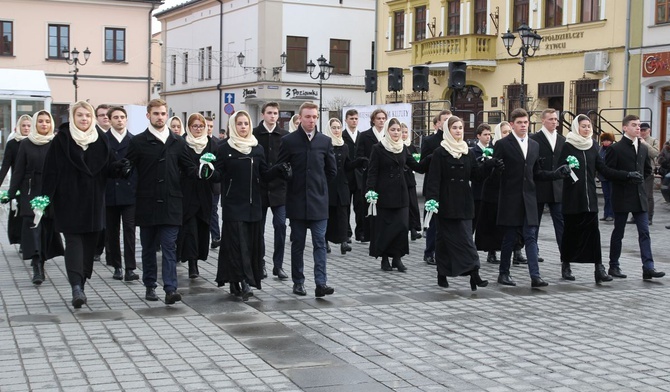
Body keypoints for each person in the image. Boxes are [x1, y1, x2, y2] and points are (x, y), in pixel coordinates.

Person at [39, 101, 118, 308]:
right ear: (72, 118)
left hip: (93, 203)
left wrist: (123, 168)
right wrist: (44, 200)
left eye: (87, 116)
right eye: (80, 115)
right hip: (68, 201)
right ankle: (76, 287)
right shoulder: (62, 140)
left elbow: (110, 167)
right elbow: (50, 171)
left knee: (89, 246)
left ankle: (80, 283)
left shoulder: (100, 139)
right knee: (74, 243)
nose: (84, 119)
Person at [493, 108, 570, 288]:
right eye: (519, 123)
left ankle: (535, 276)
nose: (523, 126)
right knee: (510, 237)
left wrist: (556, 174)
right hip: (510, 198)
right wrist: (495, 168)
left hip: (529, 198)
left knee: (530, 236)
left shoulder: (534, 145)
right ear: (512, 125)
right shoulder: (503, 144)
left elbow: (537, 173)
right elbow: (494, 172)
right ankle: (504, 272)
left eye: (526, 122)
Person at [559, 115, 635, 284]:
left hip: (590, 199)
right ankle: (566, 264)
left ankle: (598, 269)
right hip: (572, 198)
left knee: (594, 234)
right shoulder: (567, 146)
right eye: (583, 126)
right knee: (570, 233)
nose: (586, 129)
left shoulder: (592, 146)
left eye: (588, 126)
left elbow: (604, 170)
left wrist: (627, 175)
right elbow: (559, 169)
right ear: (576, 127)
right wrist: (566, 172)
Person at [425, 116, 499, 289]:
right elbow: (433, 180)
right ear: (447, 130)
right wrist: (433, 202)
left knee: (465, 239)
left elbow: (476, 175)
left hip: (465, 202)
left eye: (460, 128)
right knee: (444, 241)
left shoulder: (468, 151)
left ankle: (474, 274)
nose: (458, 131)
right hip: (445, 203)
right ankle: (443, 273)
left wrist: (490, 166)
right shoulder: (439, 152)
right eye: (454, 128)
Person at [215, 110, 282, 300]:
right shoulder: (224, 148)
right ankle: (244, 282)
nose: (243, 127)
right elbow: (218, 175)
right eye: (239, 124)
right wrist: (208, 172)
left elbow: (265, 174)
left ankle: (236, 280)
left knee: (250, 245)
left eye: (246, 123)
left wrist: (279, 170)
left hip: (253, 205)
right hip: (233, 205)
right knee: (238, 245)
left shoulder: (256, 148)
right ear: (233, 126)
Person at [126, 99, 187, 305]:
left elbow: (189, 168)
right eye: (156, 114)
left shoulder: (178, 142)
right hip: (147, 203)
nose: (160, 117)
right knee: (149, 247)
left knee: (169, 246)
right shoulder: (138, 142)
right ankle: (150, 285)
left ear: (167, 115)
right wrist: (121, 168)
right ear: (148, 116)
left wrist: (204, 172)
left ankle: (171, 289)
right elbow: (127, 167)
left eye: (163, 114)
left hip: (171, 203)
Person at [277, 102, 337, 297]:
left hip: (319, 203)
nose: (311, 120)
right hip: (297, 202)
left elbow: (331, 171)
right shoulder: (289, 141)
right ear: (300, 118)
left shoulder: (325, 141)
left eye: (314, 117)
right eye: (308, 117)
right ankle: (298, 282)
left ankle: (321, 283)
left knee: (320, 243)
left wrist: (318, 186)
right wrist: (292, 180)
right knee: (298, 244)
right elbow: (281, 167)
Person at [7, 111, 64, 286]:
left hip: (50, 191)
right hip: (30, 190)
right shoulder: (26, 143)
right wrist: (10, 194)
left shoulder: (56, 143)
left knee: (46, 228)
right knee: (33, 227)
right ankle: (37, 266)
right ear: (35, 124)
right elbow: (18, 171)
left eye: (47, 121)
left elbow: (63, 170)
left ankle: (42, 258)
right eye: (40, 121)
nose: (44, 124)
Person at [605, 115, 665, 281]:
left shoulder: (643, 147)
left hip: (639, 196)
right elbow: (607, 172)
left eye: (639, 125)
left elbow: (647, 170)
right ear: (625, 128)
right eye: (634, 125)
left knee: (645, 232)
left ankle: (648, 267)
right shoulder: (616, 148)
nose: (638, 128)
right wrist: (627, 176)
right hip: (622, 196)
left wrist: (640, 179)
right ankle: (614, 265)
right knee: (619, 232)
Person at [366, 117, 429, 272]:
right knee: (385, 228)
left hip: (401, 194)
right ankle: (385, 258)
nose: (396, 132)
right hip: (384, 194)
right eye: (393, 130)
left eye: (398, 130)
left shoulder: (403, 148)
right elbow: (372, 172)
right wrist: (370, 190)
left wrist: (432, 157)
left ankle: (397, 258)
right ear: (387, 131)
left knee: (401, 227)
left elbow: (417, 166)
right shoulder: (378, 148)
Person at [177, 113, 219, 280]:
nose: (198, 129)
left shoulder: (211, 144)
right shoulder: (182, 143)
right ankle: (192, 264)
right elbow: (183, 166)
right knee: (190, 228)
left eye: (201, 126)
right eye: (195, 126)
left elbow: (217, 166)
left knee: (202, 227)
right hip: (187, 192)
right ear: (189, 127)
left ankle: (197, 258)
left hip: (205, 193)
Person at [253, 102, 289, 279]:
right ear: (263, 114)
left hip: (279, 189)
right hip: (259, 188)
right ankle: (260, 263)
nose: (273, 116)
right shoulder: (254, 134)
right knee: (258, 228)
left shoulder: (284, 135)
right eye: (269, 113)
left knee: (280, 225)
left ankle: (278, 265)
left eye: (275, 113)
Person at [104, 107, 139, 282]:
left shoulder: (133, 140)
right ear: (109, 120)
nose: (119, 120)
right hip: (109, 192)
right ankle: (117, 265)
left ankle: (130, 268)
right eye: (116, 117)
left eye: (122, 117)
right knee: (112, 231)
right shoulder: (103, 140)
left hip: (129, 192)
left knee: (130, 230)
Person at [529, 108, 565, 274]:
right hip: (539, 185)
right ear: (543, 120)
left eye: (556, 119)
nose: (554, 122)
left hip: (557, 187)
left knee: (561, 224)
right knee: (534, 223)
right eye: (551, 119)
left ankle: (565, 257)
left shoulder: (562, 140)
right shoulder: (534, 139)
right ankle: (533, 253)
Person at [324, 118, 366, 254]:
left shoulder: (344, 145)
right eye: (334, 128)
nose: (336, 130)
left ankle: (343, 242)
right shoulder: (324, 144)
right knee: (328, 215)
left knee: (343, 214)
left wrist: (359, 162)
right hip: (329, 185)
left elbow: (347, 165)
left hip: (342, 185)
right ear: (329, 129)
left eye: (338, 127)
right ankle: (325, 241)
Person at [475, 122, 511, 264]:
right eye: (504, 132)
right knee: (491, 222)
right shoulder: (495, 147)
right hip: (492, 191)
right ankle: (492, 251)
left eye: (509, 131)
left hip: (507, 190)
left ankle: (515, 250)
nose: (507, 134)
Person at [421, 110, 451, 266]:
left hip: (451, 188)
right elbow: (422, 166)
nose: (447, 123)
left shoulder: (456, 141)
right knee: (433, 222)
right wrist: (433, 158)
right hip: (434, 186)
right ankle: (429, 252)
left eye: (450, 120)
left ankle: (446, 251)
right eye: (444, 120)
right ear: (438, 123)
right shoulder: (430, 141)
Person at [354, 108, 387, 243]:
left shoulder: (388, 134)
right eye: (378, 118)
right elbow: (359, 155)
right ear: (373, 120)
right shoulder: (365, 135)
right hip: (369, 174)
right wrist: (367, 163)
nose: (381, 121)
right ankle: (365, 232)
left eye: (383, 118)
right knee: (367, 204)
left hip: (384, 176)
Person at [0, 114, 31, 247]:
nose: (26, 128)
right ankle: (21, 240)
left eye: (29, 125)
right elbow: (6, 164)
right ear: (18, 127)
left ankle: (29, 242)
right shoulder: (12, 144)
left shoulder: (36, 142)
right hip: (17, 183)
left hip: (32, 183)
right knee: (19, 213)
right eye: (23, 125)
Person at [342, 109, 363, 243]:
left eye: (356, 118)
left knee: (360, 206)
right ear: (346, 120)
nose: (354, 121)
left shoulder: (362, 136)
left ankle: (360, 232)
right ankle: (346, 232)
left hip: (360, 176)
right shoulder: (342, 136)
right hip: (346, 176)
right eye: (351, 118)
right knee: (345, 206)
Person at [401, 122, 422, 240]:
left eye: (405, 132)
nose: (404, 134)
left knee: (413, 205)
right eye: (402, 132)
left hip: (410, 178)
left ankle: (414, 229)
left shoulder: (411, 146)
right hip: (401, 178)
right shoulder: (398, 146)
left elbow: (415, 160)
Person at [470, 123, 492, 233]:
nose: (488, 137)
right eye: (485, 134)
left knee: (489, 221)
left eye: (489, 134)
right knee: (475, 220)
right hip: (478, 191)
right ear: (478, 136)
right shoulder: (473, 152)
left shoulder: (493, 150)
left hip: (490, 190)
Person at [205, 116, 222, 250]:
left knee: (213, 210)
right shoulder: (196, 142)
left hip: (215, 185)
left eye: (211, 126)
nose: (209, 128)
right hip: (201, 183)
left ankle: (216, 237)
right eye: (207, 125)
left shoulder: (217, 143)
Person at [639, 122, 659, 225]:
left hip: (648, 171)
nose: (642, 132)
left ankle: (649, 217)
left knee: (648, 195)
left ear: (649, 130)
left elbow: (655, 153)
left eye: (644, 130)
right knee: (637, 194)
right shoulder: (635, 139)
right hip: (637, 170)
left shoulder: (653, 141)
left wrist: (644, 144)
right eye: (641, 130)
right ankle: (637, 216)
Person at [598, 132, 615, 222]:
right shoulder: (601, 150)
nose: (606, 142)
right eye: (604, 140)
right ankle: (606, 213)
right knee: (606, 196)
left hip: (611, 176)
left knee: (612, 196)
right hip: (603, 176)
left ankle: (611, 214)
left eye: (608, 140)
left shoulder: (613, 149)